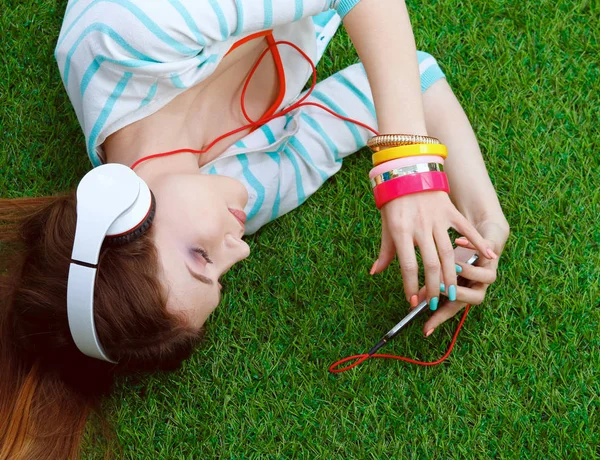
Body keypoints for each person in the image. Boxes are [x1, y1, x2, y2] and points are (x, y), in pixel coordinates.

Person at [0, 0, 510, 457]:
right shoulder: (242, 197)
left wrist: (409, 165)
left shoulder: (123, 37)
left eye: (201, 258)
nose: (238, 252)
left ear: (120, 207)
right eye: (220, 276)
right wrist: (485, 221)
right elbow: (413, 80)